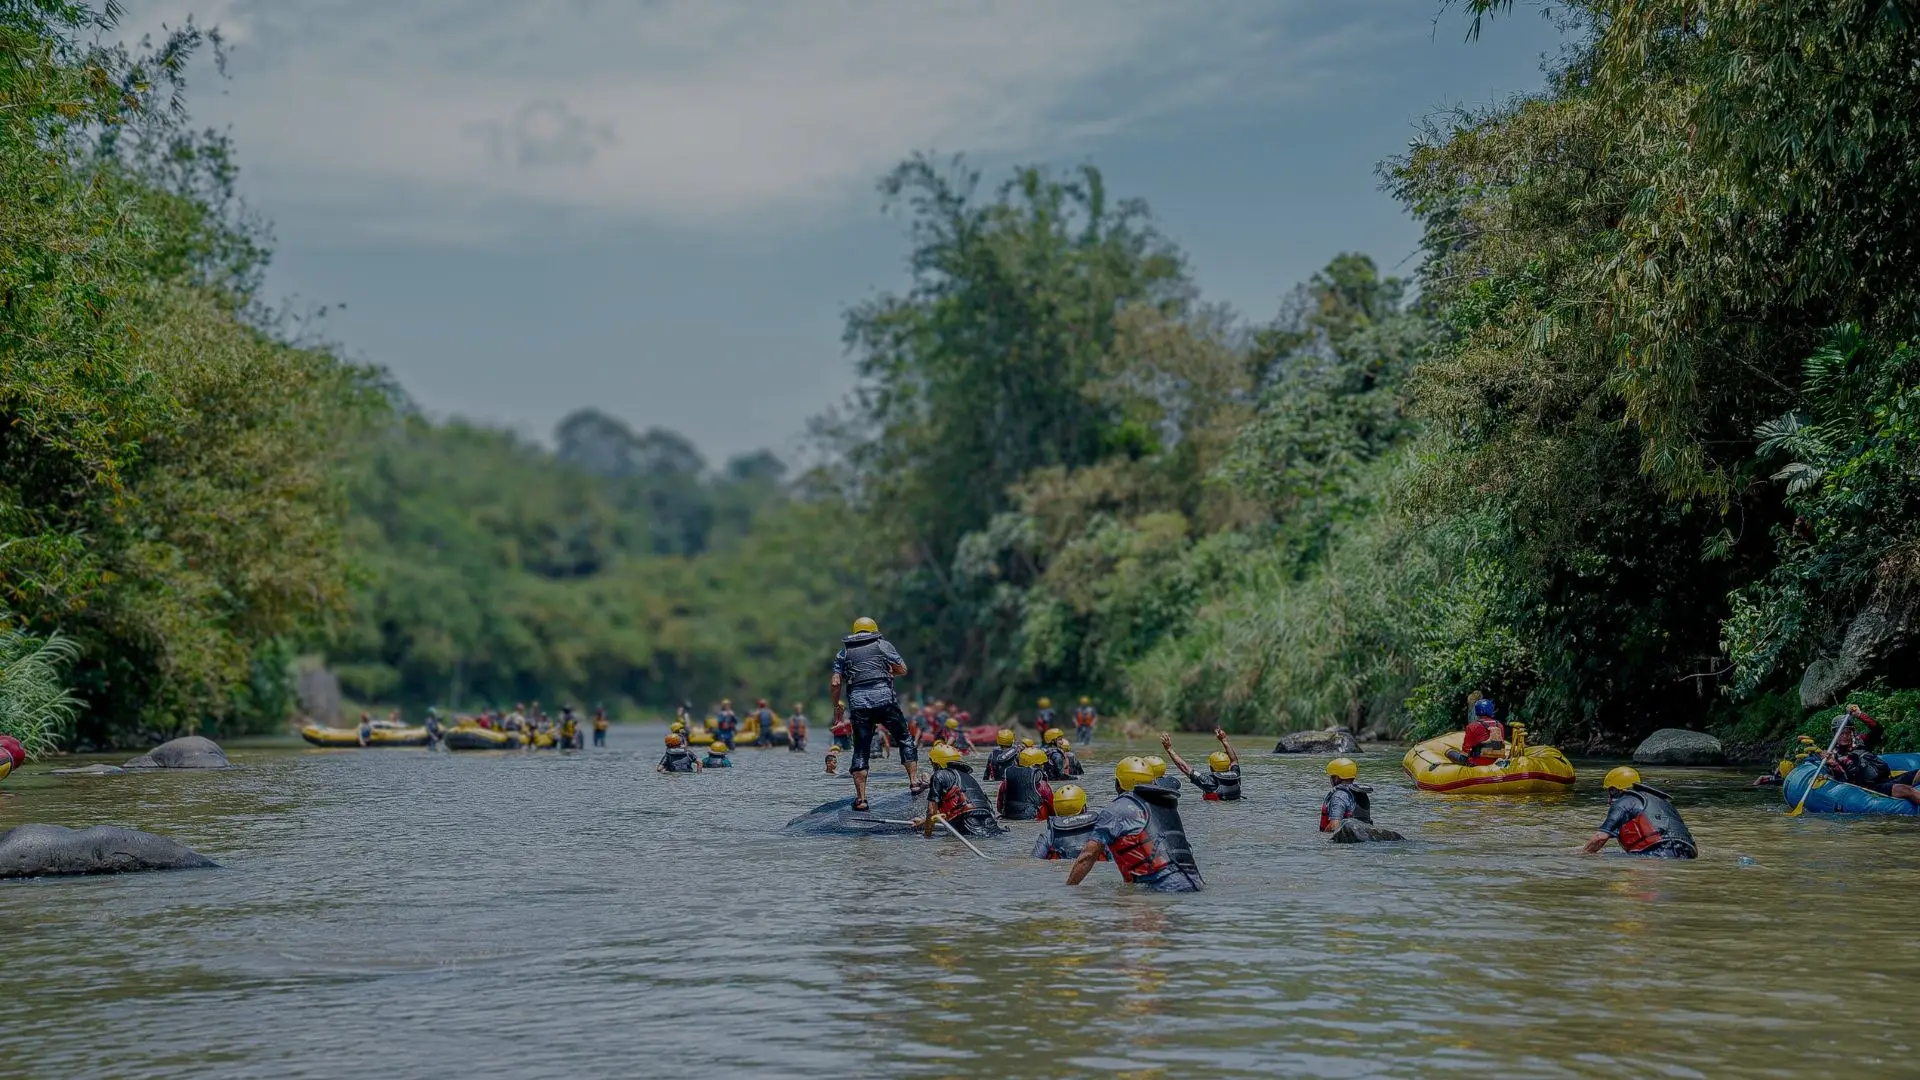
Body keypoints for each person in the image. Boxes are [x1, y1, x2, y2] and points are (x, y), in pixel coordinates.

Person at [1066, 757, 1203, 892]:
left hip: (1161, 890)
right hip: (1195, 884)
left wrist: (1067, 891)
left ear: (1118, 784)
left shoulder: (1116, 810)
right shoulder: (1166, 806)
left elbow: (1088, 855)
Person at [831, 616, 920, 812]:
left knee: (860, 750)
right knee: (905, 738)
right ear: (874, 630)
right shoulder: (882, 645)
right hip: (885, 702)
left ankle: (861, 800)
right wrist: (887, 671)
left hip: (859, 706)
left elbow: (836, 682)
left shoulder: (843, 653)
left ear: (855, 632)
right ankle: (914, 783)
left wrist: (837, 710)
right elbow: (903, 669)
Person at [1579, 767, 1697, 858]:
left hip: (1659, 854)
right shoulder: (1663, 802)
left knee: (1603, 858)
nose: (1608, 800)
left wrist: (1581, 856)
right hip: (1689, 853)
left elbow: (1600, 838)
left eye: (1609, 792)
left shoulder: (1624, 802)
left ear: (1615, 789)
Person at [1823, 710, 1920, 806]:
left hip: (1887, 779)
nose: (1844, 736)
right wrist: (1833, 764)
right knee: (1906, 790)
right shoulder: (1834, 755)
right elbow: (1843, 780)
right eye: (1841, 733)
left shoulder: (1861, 741)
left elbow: (1878, 730)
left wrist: (1859, 714)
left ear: (1852, 732)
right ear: (1835, 734)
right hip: (1872, 787)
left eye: (1847, 732)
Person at [919, 743, 1000, 837]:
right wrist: (923, 822)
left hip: (968, 825)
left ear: (937, 763)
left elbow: (931, 811)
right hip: (990, 823)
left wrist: (926, 835)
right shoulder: (969, 777)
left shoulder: (939, 775)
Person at [1161, 729, 1241, 800]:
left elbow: (1185, 768)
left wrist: (1169, 749)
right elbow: (1234, 760)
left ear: (1211, 767)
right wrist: (1224, 740)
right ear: (1228, 764)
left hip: (1216, 812)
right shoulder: (1236, 775)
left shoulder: (1209, 782)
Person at [1032, 785, 1103, 861]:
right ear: (1083, 808)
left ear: (1056, 810)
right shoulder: (1101, 830)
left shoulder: (1049, 834)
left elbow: (1035, 860)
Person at [997, 746, 1053, 822]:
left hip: (1008, 816)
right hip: (1033, 819)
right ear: (1037, 766)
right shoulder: (1042, 785)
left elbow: (999, 807)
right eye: (1042, 764)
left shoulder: (1006, 781)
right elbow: (1052, 808)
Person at [1448, 696, 1507, 766]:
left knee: (1449, 752)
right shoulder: (1499, 725)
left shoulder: (1472, 726)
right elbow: (1500, 743)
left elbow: (1466, 750)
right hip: (1496, 761)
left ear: (1476, 711)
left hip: (1477, 762)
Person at [1319, 758, 1372, 831]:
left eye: (1332, 776)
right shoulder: (1359, 793)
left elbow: (1334, 826)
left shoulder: (1339, 796)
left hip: (1342, 840)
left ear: (1337, 778)